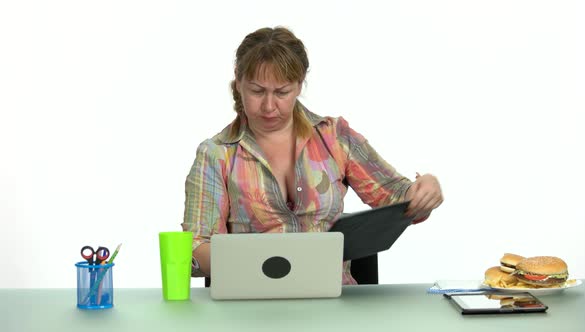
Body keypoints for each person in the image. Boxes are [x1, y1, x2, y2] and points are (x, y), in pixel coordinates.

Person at [181, 26, 443, 285]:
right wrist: (260, 261)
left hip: (333, 302)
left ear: (299, 84)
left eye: (282, 92)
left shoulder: (335, 137)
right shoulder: (217, 154)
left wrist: (424, 190)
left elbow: (395, 197)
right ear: (238, 82)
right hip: (251, 306)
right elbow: (194, 248)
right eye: (257, 91)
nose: (269, 105)